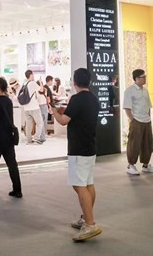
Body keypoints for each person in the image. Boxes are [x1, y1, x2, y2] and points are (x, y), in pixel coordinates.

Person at [50, 68, 102, 242]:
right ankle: (86, 218)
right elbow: (78, 115)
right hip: (90, 146)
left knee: (79, 186)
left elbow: (63, 121)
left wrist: (54, 112)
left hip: (78, 148)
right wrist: (65, 110)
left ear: (74, 82)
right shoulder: (93, 99)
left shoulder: (76, 99)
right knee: (88, 183)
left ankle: (90, 224)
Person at [123, 69, 153, 176]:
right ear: (137, 78)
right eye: (143, 77)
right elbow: (127, 108)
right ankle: (131, 165)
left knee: (147, 143)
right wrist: (132, 119)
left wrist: (149, 117)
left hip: (146, 120)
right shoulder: (129, 91)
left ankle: (146, 165)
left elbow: (148, 105)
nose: (145, 79)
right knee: (134, 143)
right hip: (136, 120)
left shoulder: (145, 91)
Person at [22, 70, 44, 145]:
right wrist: (40, 82)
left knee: (28, 125)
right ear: (31, 75)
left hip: (26, 108)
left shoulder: (24, 83)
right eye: (33, 74)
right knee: (39, 123)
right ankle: (36, 138)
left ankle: (29, 140)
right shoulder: (33, 83)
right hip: (34, 107)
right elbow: (41, 89)